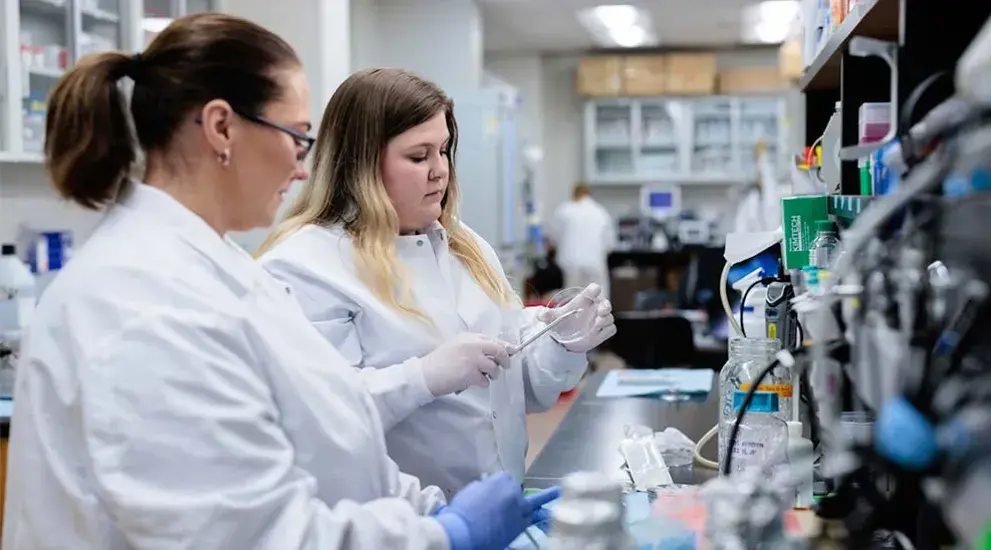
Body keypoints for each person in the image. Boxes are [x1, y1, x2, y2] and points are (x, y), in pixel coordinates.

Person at [3, 14, 546, 550]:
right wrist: (442, 535)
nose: (305, 168)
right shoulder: (141, 302)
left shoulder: (221, 270)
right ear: (221, 128)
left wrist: (429, 508)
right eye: (297, 138)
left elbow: (330, 442)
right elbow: (245, 536)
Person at [255, 68, 616, 498]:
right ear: (361, 162)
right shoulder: (306, 266)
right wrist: (423, 377)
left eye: (443, 150)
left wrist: (562, 341)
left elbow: (516, 391)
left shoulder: (466, 245)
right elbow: (319, 421)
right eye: (418, 156)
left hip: (498, 505)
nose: (439, 171)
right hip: (401, 527)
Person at [548, 183, 616, 299]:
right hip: (594, 261)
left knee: (571, 299)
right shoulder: (600, 211)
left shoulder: (564, 210)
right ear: (588, 193)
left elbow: (554, 239)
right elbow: (610, 243)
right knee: (598, 298)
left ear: (574, 193)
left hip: (570, 262)